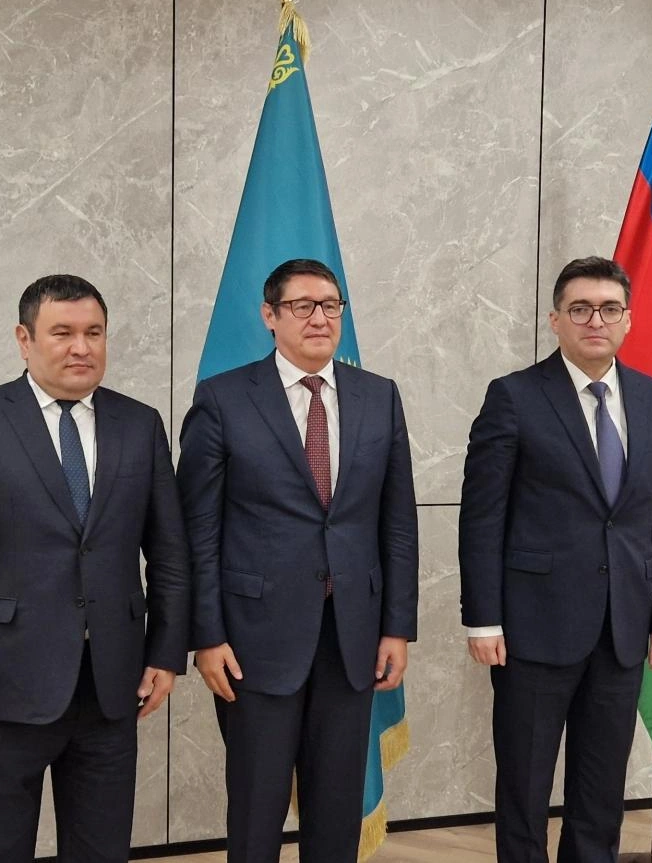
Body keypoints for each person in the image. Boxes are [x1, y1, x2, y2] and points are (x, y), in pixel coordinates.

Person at [0, 274, 191, 863]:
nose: (81, 347)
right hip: (0, 687)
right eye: (62, 333)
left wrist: (166, 654)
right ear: (24, 339)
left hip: (111, 685)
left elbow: (168, 554)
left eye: (94, 333)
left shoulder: (140, 424)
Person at [177, 257, 419, 863]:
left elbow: (397, 523)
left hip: (351, 636)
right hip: (253, 640)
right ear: (270, 315)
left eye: (330, 306)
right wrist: (206, 635)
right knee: (256, 809)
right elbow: (197, 531)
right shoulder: (223, 399)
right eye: (302, 306)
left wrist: (396, 626)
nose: (319, 318)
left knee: (336, 809)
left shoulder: (379, 397)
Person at [458, 256, 652, 863]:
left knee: (601, 786)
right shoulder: (513, 397)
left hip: (623, 627)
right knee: (525, 783)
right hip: (533, 626)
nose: (596, 321)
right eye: (581, 309)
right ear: (555, 319)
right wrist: (482, 619)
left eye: (609, 309)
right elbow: (482, 516)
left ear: (628, 320)